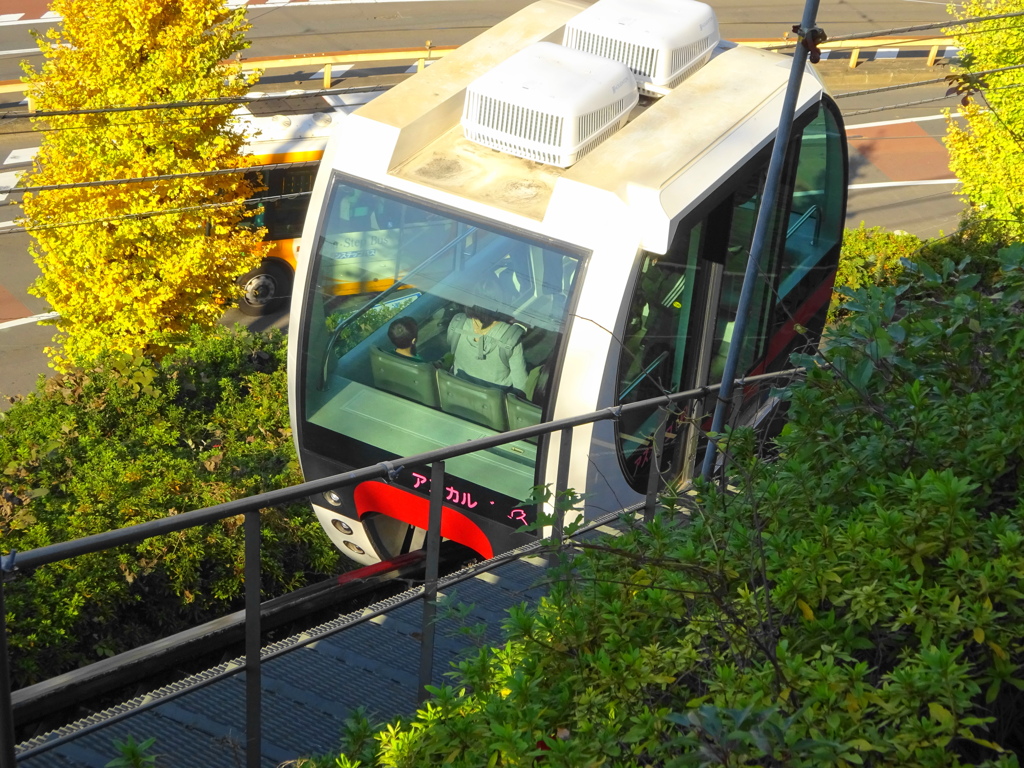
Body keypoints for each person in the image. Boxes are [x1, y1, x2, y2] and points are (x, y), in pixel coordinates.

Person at [447, 302, 527, 393]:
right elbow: (521, 386)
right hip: (494, 403)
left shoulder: (457, 322)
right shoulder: (511, 337)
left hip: (458, 394)